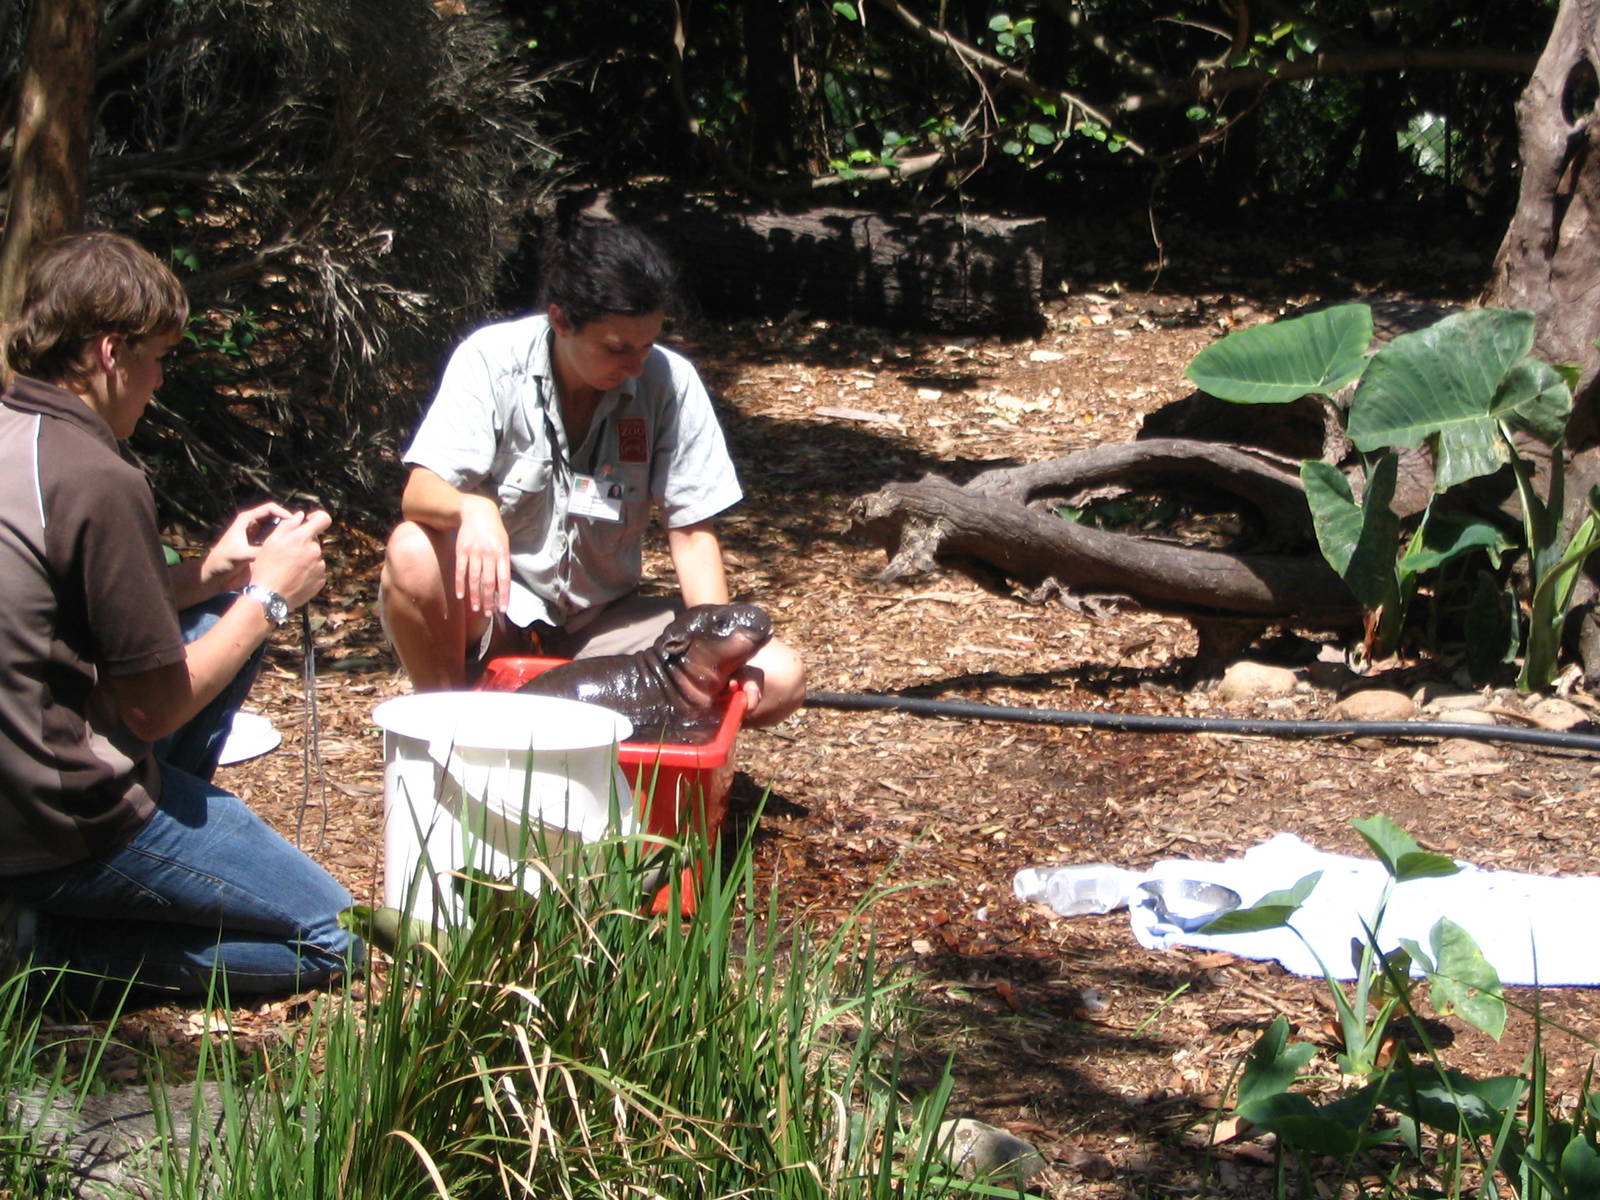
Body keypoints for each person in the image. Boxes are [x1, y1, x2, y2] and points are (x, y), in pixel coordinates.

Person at [0, 230, 361, 1007]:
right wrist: (268, 596)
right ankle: (44, 952)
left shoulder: (20, 440)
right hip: (66, 825)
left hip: (14, 788)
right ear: (108, 352)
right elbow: (153, 705)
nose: (159, 380)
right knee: (342, 940)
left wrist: (213, 574)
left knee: (211, 621)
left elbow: (63, 610)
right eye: (157, 357)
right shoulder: (98, 478)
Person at [380, 222, 805, 723]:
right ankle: (445, 725)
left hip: (603, 625)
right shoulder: (492, 360)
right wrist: (473, 507)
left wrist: (714, 652)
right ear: (560, 320)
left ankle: (639, 763)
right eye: (616, 348)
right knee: (412, 551)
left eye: (646, 345)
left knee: (778, 676)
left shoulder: (669, 381)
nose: (634, 365)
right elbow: (420, 492)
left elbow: (691, 534)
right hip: (499, 613)